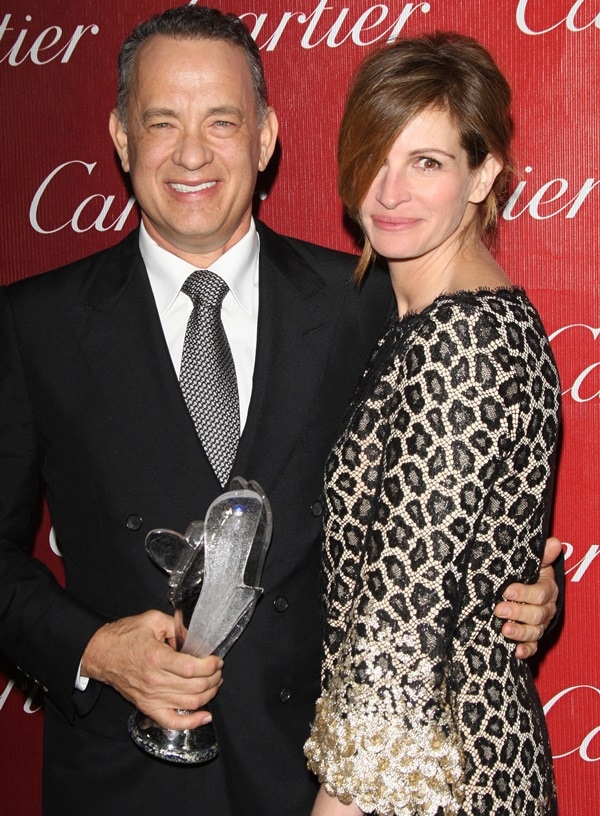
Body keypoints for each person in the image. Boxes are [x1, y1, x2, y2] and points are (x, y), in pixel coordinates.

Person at [0, 8, 560, 816]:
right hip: (125, 779)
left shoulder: (373, 301)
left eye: (221, 121)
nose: (192, 153)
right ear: (122, 136)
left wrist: (514, 586)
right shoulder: (34, 324)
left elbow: (438, 512)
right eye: (163, 121)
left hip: (321, 774)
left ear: (264, 136)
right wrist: (91, 648)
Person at [304, 32, 560, 815]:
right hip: (446, 758)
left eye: (427, 162)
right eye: (375, 156)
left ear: (483, 175)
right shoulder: (425, 320)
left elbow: (398, 634)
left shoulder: (463, 341)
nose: (388, 192)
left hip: (437, 779)